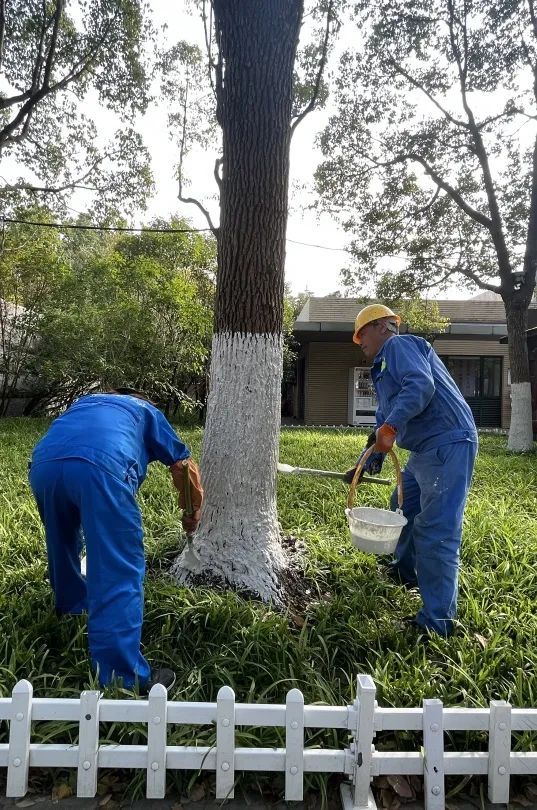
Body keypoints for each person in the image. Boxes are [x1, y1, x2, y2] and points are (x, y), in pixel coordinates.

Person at [28, 388, 203, 691]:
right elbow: (183, 466)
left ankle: (71, 610)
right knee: (117, 567)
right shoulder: (146, 410)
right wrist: (191, 512)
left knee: (62, 545)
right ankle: (123, 677)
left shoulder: (85, 402)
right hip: (103, 469)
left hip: (44, 466)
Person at [346, 305, 478, 637]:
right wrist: (366, 462)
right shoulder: (382, 367)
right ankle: (404, 572)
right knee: (402, 506)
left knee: (435, 532)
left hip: (448, 442)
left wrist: (391, 427)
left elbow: (420, 386)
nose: (359, 341)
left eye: (363, 333)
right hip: (423, 450)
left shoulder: (398, 345)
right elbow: (382, 424)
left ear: (382, 326)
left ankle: (436, 624)